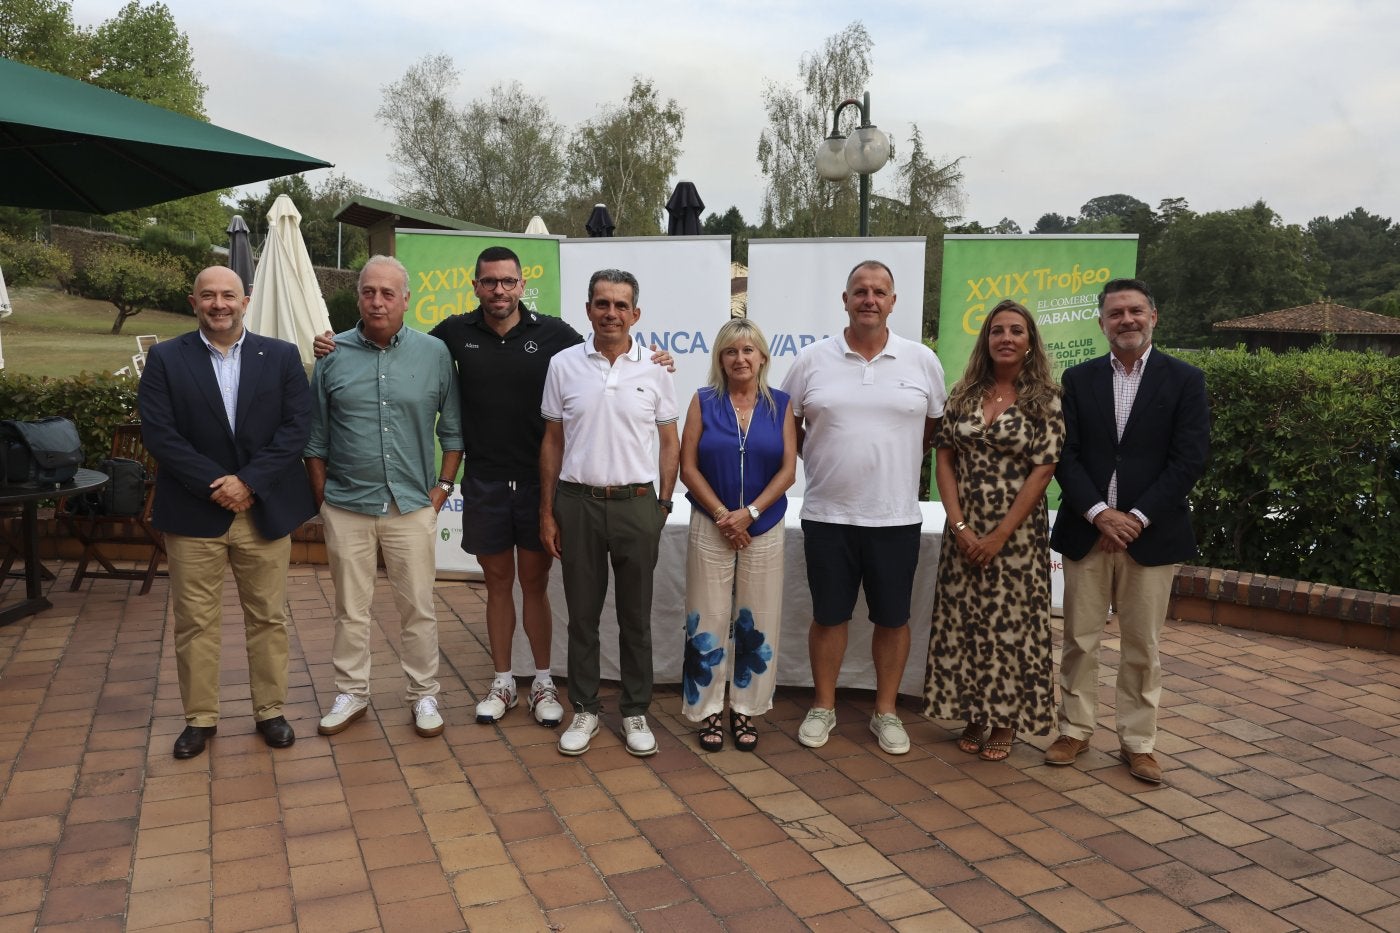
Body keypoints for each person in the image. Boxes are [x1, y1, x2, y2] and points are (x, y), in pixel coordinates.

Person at [312, 246, 670, 730]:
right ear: (476, 285)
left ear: (522, 286)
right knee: (498, 586)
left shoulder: (556, 336)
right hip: (483, 481)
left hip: (541, 482)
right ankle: (503, 680)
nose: (498, 290)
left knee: (536, 585)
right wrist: (331, 343)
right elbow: (397, 340)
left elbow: (606, 350)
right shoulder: (452, 335)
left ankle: (543, 679)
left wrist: (655, 355)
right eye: (489, 282)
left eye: (508, 282)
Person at [139, 266, 316, 760]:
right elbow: (160, 434)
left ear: (246, 300)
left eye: (229, 295)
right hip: (195, 512)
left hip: (263, 510)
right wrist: (219, 485)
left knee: (269, 617)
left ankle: (271, 711)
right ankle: (200, 719)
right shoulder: (167, 358)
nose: (219, 304)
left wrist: (250, 482)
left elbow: (295, 428)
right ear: (193, 301)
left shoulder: (280, 356)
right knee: (195, 621)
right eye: (209, 295)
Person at [1047, 278, 1210, 784]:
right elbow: (1064, 456)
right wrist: (1099, 512)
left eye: (1135, 311)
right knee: (1079, 639)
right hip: (1087, 531)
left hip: (1151, 535)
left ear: (1153, 316)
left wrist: (1135, 518)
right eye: (1115, 314)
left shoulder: (1185, 380)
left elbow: (1189, 460)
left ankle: (1138, 742)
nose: (1126, 321)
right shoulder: (1078, 379)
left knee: (1143, 645)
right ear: (1101, 323)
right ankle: (1075, 729)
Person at [780, 260, 946, 756]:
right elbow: (790, 424)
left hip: (895, 517)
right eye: (860, 291)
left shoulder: (922, 361)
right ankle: (823, 706)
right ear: (845, 299)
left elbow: (933, 429)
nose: (869, 299)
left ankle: (887, 711)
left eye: (879, 292)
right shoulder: (811, 361)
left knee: (892, 618)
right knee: (829, 616)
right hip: (828, 514)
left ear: (893, 301)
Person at [305, 255, 463, 739]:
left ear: (406, 299)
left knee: (417, 607)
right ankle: (352, 692)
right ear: (358, 297)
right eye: (369, 291)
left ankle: (424, 694)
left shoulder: (435, 353)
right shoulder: (330, 354)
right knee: (350, 608)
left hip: (411, 505)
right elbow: (315, 440)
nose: (377, 301)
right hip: (347, 505)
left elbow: (453, 433)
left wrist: (440, 491)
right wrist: (325, 501)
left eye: (387, 293)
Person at [539, 269, 679, 758]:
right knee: (582, 614)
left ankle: (636, 709)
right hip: (577, 504)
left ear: (635, 314)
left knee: (635, 617)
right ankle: (585, 709)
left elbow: (669, 441)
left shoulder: (657, 368)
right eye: (602, 303)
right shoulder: (563, 365)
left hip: (637, 505)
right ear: (589, 309)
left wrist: (662, 502)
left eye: (621, 305)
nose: (611, 313)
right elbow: (553, 441)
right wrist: (548, 510)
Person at [922, 299, 1064, 761]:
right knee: (966, 623)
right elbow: (943, 457)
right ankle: (974, 713)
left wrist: (1000, 534)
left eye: (1016, 331)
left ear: (1029, 342)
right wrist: (960, 525)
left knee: (1010, 629)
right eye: (997, 330)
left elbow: (1043, 472)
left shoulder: (1046, 399)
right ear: (986, 339)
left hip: (1016, 537)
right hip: (962, 530)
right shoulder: (963, 393)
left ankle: (1004, 721)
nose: (1006, 338)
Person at [679, 318, 797, 752]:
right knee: (705, 616)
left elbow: (788, 469)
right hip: (711, 525)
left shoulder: (781, 404)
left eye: (748, 350)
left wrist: (749, 513)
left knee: (758, 619)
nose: (740, 358)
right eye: (731, 351)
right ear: (720, 359)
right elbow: (687, 466)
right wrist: (722, 515)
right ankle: (708, 710)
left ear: (762, 356)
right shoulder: (703, 401)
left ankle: (745, 710)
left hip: (763, 526)